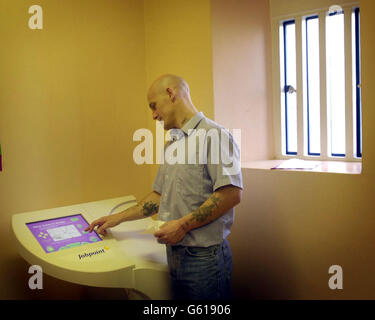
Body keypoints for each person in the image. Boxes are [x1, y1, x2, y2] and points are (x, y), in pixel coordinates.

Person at [85, 74, 243, 300]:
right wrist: (117, 218)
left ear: (171, 94)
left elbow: (230, 194)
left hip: (204, 260)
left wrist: (181, 225)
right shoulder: (173, 142)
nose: (153, 115)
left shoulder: (214, 135)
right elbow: (159, 196)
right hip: (175, 256)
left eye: (153, 106)